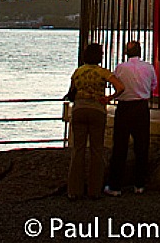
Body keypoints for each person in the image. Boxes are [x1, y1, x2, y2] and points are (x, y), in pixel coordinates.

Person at [67, 43, 125, 200]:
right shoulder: (103, 72)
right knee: (96, 150)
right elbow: (120, 87)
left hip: (78, 110)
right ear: (99, 56)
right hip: (97, 111)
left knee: (77, 150)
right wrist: (109, 98)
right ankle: (94, 190)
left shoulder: (78, 72)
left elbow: (71, 91)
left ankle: (74, 190)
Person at [104, 40, 157, 195]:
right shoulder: (149, 67)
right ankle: (139, 184)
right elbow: (154, 85)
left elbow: (117, 85)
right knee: (141, 146)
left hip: (124, 107)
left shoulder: (121, 68)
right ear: (140, 51)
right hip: (141, 107)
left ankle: (115, 186)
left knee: (120, 146)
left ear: (126, 53)